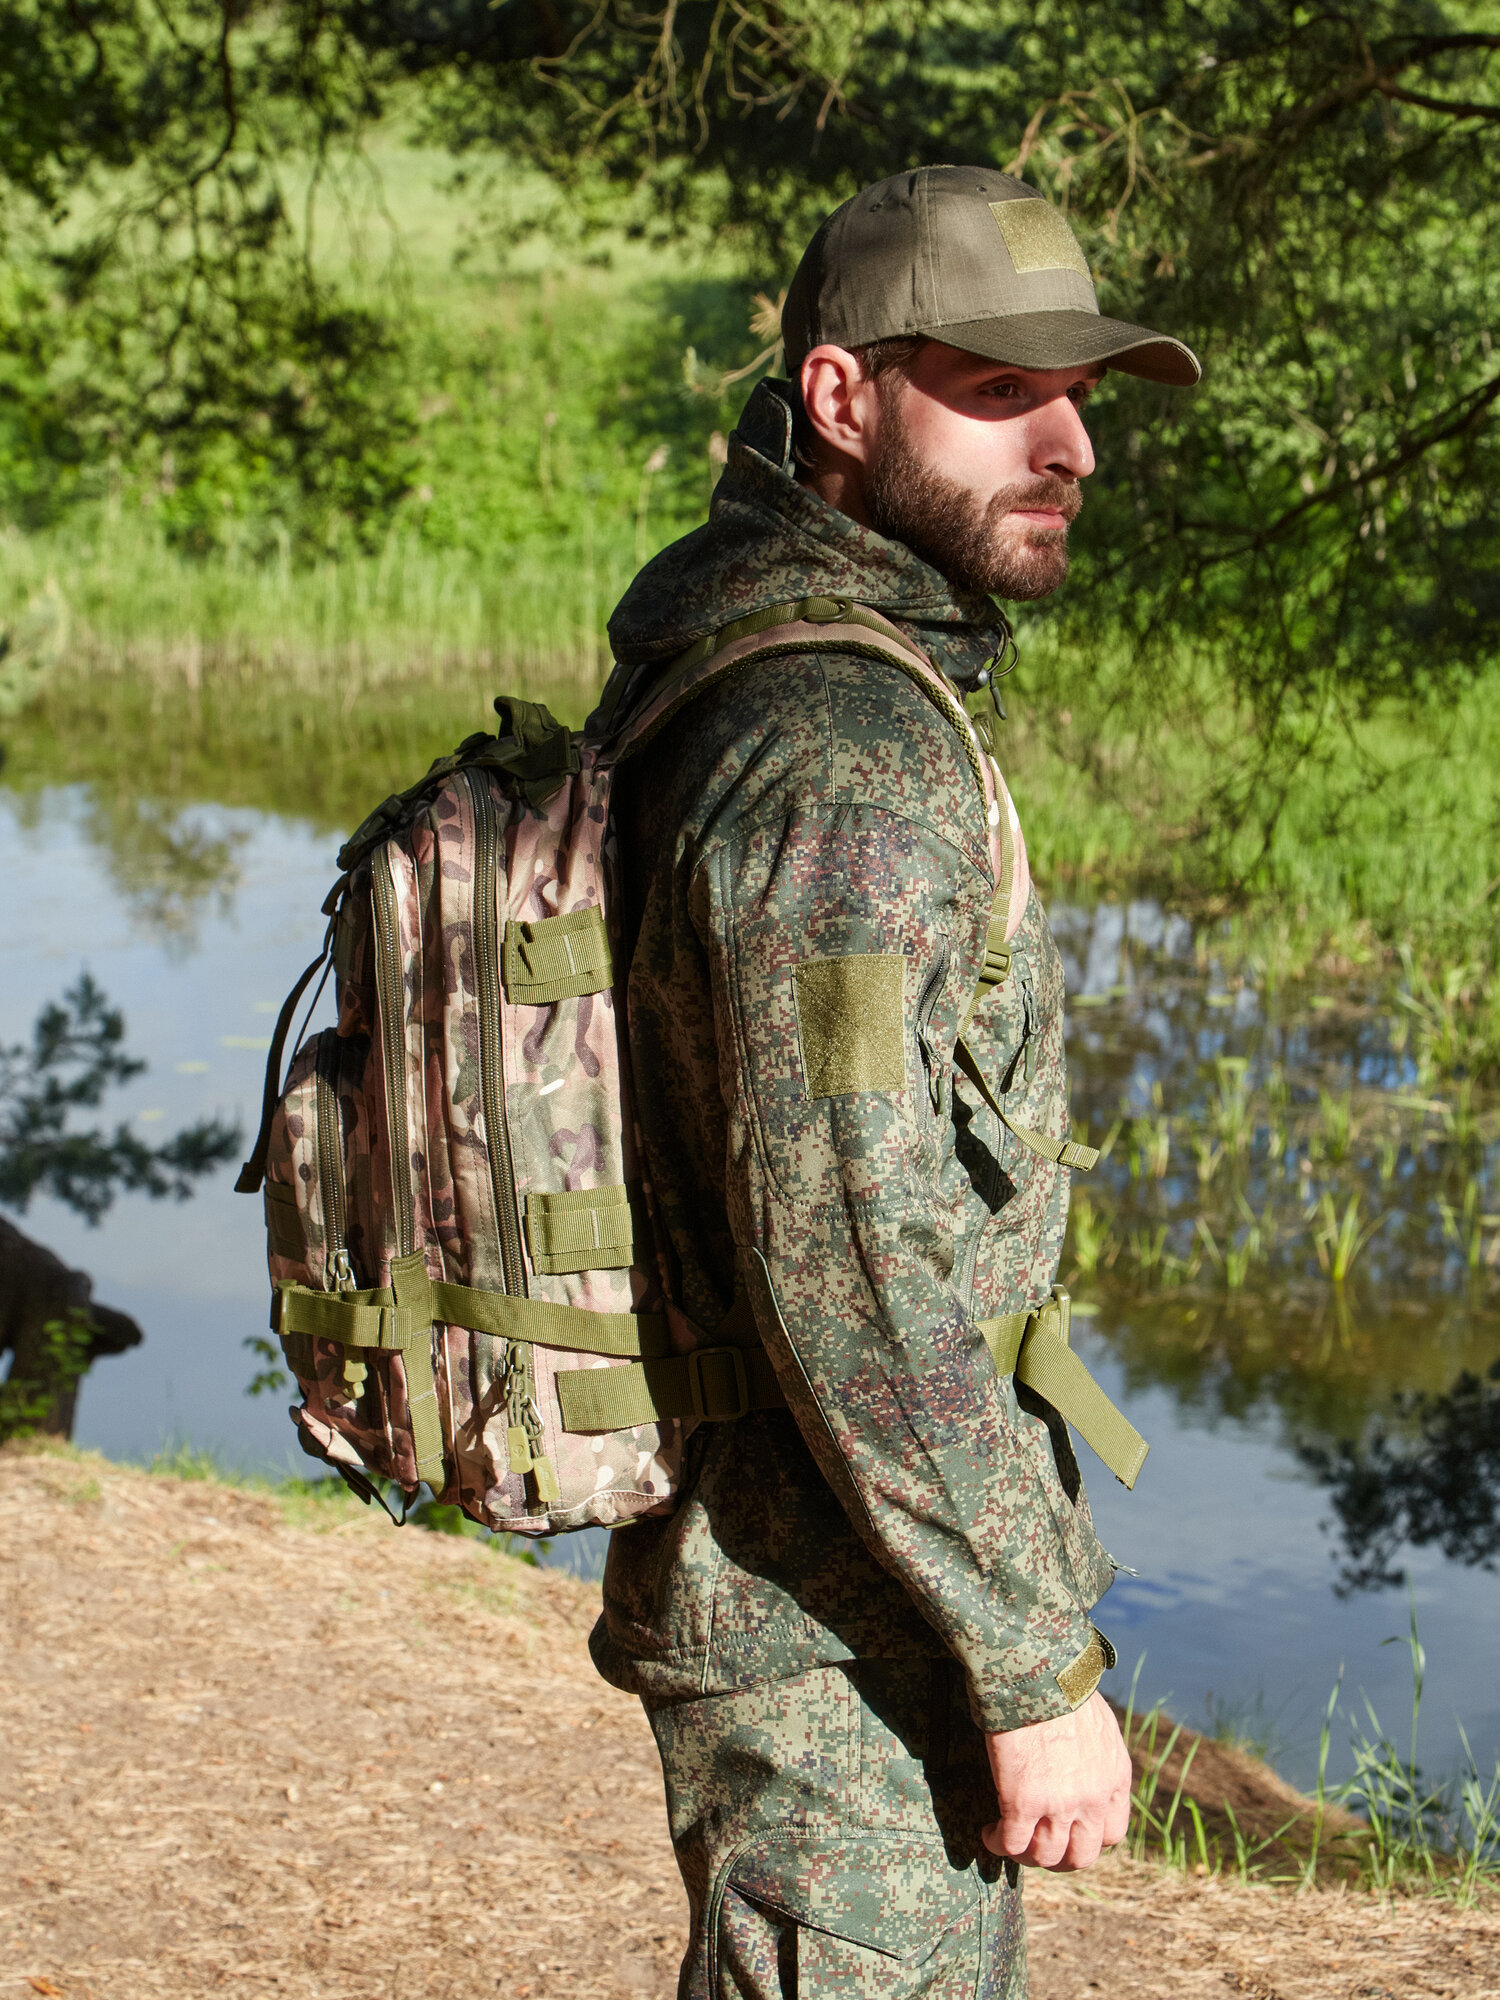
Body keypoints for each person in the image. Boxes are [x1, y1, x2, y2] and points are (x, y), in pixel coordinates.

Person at [589, 164, 1200, 1998]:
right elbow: (849, 1246)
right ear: (842, 399)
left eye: (1078, 396)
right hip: (836, 1623)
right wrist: (1031, 1660)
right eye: (1003, 393)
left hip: (851, 1588)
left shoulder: (778, 658)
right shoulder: (838, 751)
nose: (1071, 446)